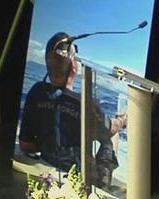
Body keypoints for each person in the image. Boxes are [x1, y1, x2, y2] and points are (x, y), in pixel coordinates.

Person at [18, 32, 126, 189]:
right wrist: (122, 121)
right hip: (80, 176)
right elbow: (110, 129)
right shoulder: (86, 103)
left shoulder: (36, 91)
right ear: (74, 67)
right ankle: (102, 183)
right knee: (111, 135)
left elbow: (25, 144)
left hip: (48, 161)